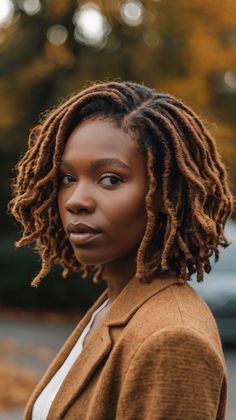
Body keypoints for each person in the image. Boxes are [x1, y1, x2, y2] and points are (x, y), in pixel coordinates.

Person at [9, 81, 233, 420]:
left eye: (110, 179)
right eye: (68, 178)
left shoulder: (172, 339)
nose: (77, 200)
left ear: (163, 196)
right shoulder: (116, 305)